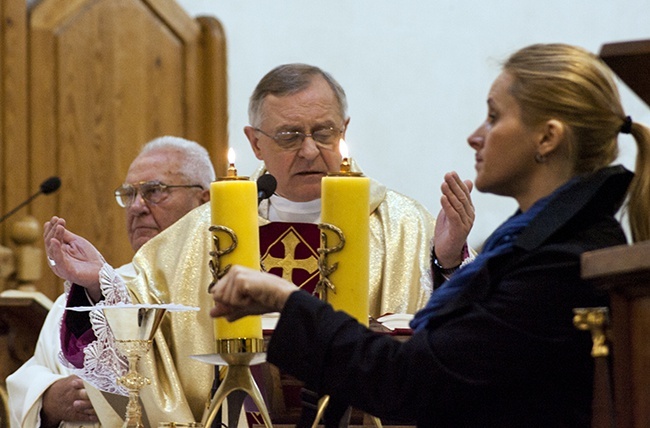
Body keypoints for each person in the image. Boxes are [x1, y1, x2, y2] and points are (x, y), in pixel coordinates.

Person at [208, 43, 650, 427]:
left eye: (494, 118)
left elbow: (409, 381)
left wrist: (286, 303)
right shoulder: (544, 244)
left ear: (548, 138)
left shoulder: (558, 262)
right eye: (289, 135)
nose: (475, 136)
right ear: (256, 142)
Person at [40, 64, 474, 426]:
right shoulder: (204, 229)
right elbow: (145, 320)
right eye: (289, 136)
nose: (309, 150)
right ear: (254, 142)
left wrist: (447, 260)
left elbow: (455, 338)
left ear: (344, 130)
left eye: (323, 132)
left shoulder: (405, 223)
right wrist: (99, 281)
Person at [6, 136, 214, 428]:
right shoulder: (81, 296)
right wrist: (49, 400)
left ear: (203, 201)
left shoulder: (221, 293)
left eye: (155, 191)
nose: (137, 206)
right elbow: (31, 380)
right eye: (129, 194)